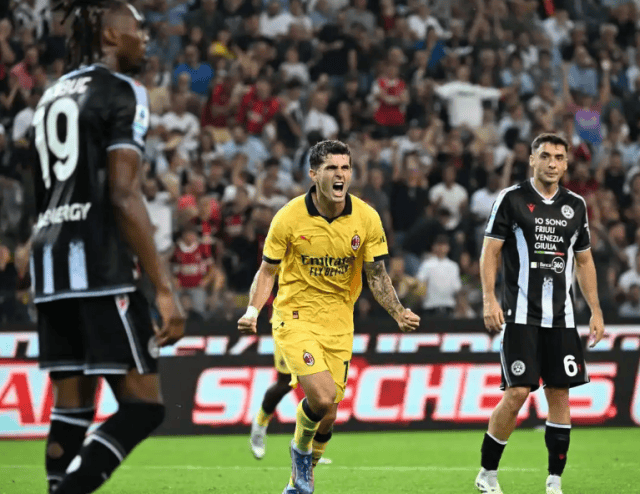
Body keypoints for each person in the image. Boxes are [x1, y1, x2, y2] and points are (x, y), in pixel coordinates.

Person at [28, 2, 185, 493]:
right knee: (144, 406)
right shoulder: (122, 90)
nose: (145, 38)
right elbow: (123, 192)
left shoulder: (50, 96)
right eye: (137, 29)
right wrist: (163, 288)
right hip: (98, 263)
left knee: (72, 408)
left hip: (49, 264)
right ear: (112, 37)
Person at [238, 140, 420, 494]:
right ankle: (298, 453)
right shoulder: (288, 217)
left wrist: (398, 311)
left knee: (329, 414)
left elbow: (377, 275)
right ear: (313, 174)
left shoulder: (366, 218)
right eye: (332, 168)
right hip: (295, 317)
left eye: (345, 168)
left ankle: (298, 482)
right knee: (320, 398)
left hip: (339, 323)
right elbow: (267, 271)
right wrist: (252, 310)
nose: (341, 174)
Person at [476, 133, 605, 494]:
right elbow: (490, 251)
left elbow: (584, 261)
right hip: (520, 316)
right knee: (517, 392)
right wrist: (489, 299)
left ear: (566, 164)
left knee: (560, 394)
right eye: (545, 156)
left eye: (559, 157)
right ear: (532, 160)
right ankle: (487, 472)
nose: (552, 163)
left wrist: (595, 310)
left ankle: (554, 481)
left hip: (562, 319)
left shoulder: (576, 205)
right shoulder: (511, 198)